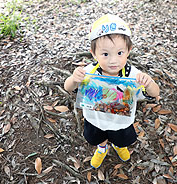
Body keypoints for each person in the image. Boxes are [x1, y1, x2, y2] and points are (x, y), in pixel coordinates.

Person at [64, 14, 160, 168]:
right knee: (97, 137)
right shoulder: (89, 72)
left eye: (120, 53)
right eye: (105, 54)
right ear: (94, 53)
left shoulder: (133, 75)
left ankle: (119, 146)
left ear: (129, 50)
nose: (113, 60)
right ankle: (102, 148)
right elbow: (68, 88)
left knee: (121, 138)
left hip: (121, 123)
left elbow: (154, 93)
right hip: (95, 119)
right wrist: (74, 79)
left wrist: (148, 83)